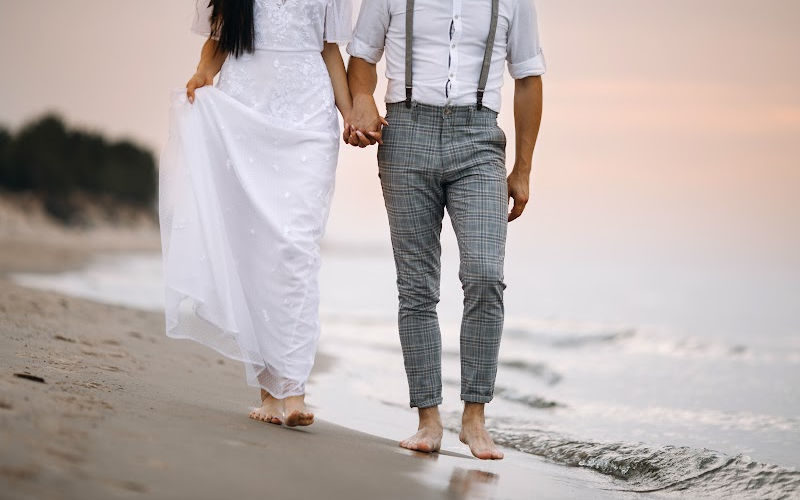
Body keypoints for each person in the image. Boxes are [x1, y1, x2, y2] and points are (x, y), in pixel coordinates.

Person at [344, 0, 545, 459]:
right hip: (405, 132)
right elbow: (362, 57)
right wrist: (361, 100)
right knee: (416, 287)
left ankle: (474, 416)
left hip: (479, 141)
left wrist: (524, 169)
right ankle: (428, 419)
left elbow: (529, 77)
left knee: (485, 275)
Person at [159, 0, 353, 427]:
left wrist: (351, 112)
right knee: (253, 250)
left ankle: (295, 390)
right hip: (244, 114)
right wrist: (201, 75)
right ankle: (270, 391)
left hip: (308, 120)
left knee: (296, 248)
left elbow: (330, 50)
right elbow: (218, 42)